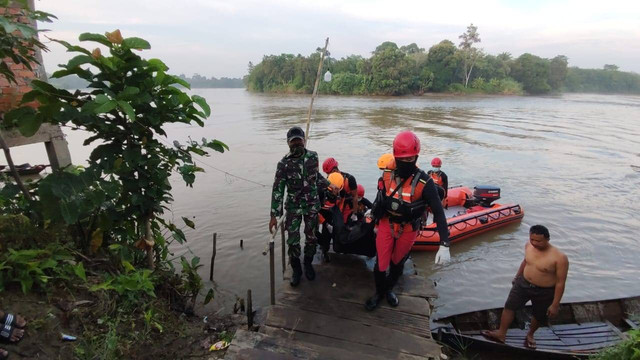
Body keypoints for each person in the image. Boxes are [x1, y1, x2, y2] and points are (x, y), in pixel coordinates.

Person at [366, 131, 451, 311]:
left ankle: (389, 289)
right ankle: (379, 292)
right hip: (386, 224)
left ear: (416, 157)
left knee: (397, 262)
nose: (406, 163)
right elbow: (380, 197)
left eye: (410, 159)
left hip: (409, 227)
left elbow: (438, 212)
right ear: (395, 157)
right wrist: (372, 214)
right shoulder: (387, 174)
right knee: (381, 263)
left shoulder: (424, 183)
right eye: (402, 160)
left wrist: (444, 243)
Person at [482, 225, 569, 349]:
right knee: (509, 306)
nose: (534, 243)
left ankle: (530, 335)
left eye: (538, 241)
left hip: (544, 290)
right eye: (532, 239)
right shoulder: (529, 246)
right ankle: (501, 333)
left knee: (539, 315)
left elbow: (561, 282)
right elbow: (525, 262)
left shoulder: (560, 258)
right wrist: (517, 276)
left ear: (547, 239)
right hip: (523, 283)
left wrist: (555, 304)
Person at [270, 126, 326, 287]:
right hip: (293, 208)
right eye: (293, 142)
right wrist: (274, 216)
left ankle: (308, 264)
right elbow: (277, 189)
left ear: (304, 140)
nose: (296, 144)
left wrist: (329, 184)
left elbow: (316, 176)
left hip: (311, 206)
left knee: (312, 237)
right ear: (288, 143)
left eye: (299, 141)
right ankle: (296, 270)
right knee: (293, 241)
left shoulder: (313, 156)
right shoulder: (283, 164)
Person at [322, 157, 359, 222]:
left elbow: (355, 196)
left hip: (346, 209)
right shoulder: (328, 180)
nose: (328, 175)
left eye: (328, 173)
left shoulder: (349, 179)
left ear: (334, 171)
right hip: (333, 208)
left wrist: (354, 213)